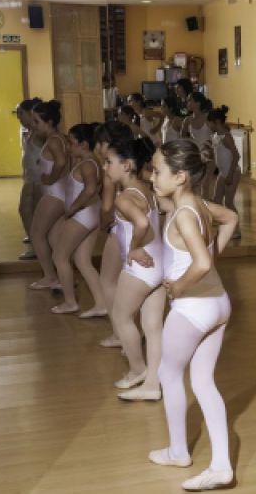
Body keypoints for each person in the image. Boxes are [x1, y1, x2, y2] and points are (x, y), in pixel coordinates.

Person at [148, 139, 238, 491]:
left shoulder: (184, 214)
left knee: (169, 375)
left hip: (193, 309)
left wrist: (180, 286)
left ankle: (178, 450)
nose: (152, 176)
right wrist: (212, 258)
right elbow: (231, 218)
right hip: (219, 304)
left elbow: (200, 263)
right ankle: (220, 466)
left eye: (158, 171)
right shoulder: (198, 205)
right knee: (202, 382)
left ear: (180, 176)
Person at [104, 136, 165, 401]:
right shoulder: (147, 189)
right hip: (160, 265)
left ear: (127, 165)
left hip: (140, 268)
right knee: (153, 327)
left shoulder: (124, 198)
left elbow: (141, 224)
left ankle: (137, 370)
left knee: (121, 318)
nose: (105, 167)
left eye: (109, 162)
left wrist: (134, 248)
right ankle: (153, 383)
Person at [50, 124, 107, 317]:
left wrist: (72, 209)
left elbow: (90, 189)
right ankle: (101, 304)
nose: (68, 147)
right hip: (90, 214)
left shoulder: (88, 164)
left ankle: (70, 302)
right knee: (82, 261)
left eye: (72, 143)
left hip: (82, 215)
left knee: (60, 257)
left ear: (84, 144)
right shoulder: (90, 162)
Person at [94, 121, 136, 348]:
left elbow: (107, 206)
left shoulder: (110, 169)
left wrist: (103, 224)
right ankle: (134, 332)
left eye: (99, 143)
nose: (97, 148)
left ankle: (121, 333)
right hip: (144, 229)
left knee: (107, 280)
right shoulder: (137, 161)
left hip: (120, 228)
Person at [28, 100, 69, 290]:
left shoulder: (53, 140)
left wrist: (51, 178)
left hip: (55, 194)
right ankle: (63, 278)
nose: (33, 126)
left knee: (36, 235)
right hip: (61, 194)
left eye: (37, 122)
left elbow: (60, 163)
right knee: (53, 238)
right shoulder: (61, 138)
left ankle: (50, 276)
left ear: (50, 122)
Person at [16, 97, 44, 260]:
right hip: (32, 178)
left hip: (39, 181)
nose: (19, 117)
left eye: (21, 113)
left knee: (28, 210)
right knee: (26, 210)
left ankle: (37, 245)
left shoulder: (40, 133)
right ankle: (35, 241)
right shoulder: (30, 132)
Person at [207, 106, 241, 214]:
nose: (208, 125)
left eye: (210, 123)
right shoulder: (216, 136)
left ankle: (236, 230)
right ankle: (224, 227)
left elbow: (236, 156)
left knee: (229, 203)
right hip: (223, 173)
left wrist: (230, 174)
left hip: (232, 172)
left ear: (216, 122)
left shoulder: (226, 137)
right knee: (217, 200)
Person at [181, 92, 215, 199]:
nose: (187, 102)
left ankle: (206, 212)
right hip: (195, 157)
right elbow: (182, 139)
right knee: (194, 186)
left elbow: (221, 133)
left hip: (209, 156)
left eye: (190, 100)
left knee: (205, 185)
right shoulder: (187, 120)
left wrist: (212, 146)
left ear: (198, 103)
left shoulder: (208, 118)